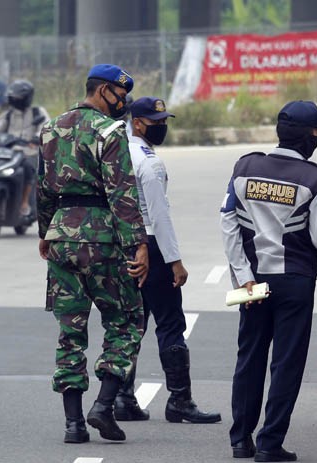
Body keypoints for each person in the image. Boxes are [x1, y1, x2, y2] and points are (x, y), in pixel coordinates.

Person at [220, 100, 317, 461]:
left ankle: (240, 440)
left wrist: (243, 276)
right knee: (286, 365)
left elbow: (227, 222)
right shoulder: (315, 178)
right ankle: (269, 444)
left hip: (252, 283)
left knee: (249, 358)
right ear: (309, 136)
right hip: (295, 282)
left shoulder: (245, 166)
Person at [38, 63, 147, 444]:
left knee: (70, 331)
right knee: (127, 320)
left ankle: (73, 425)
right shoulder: (110, 131)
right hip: (102, 239)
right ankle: (103, 405)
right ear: (103, 91)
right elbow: (123, 194)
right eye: (121, 95)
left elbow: (44, 189)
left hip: (61, 237)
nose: (123, 103)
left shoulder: (51, 128)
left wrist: (46, 232)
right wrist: (138, 245)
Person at [116, 96, 221, 424]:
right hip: (152, 246)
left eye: (164, 121)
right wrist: (175, 261)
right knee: (171, 323)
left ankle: (121, 398)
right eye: (156, 122)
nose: (162, 127)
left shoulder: (115, 154)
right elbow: (159, 217)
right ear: (137, 123)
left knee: (131, 324)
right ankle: (179, 400)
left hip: (123, 245)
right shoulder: (150, 162)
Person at [0, 79, 50, 216]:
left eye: (18, 97)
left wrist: (37, 137)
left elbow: (46, 127)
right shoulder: (9, 114)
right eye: (13, 97)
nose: (15, 100)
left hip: (29, 151)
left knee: (28, 168)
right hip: (8, 153)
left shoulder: (38, 112)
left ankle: (24, 202)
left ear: (27, 97)